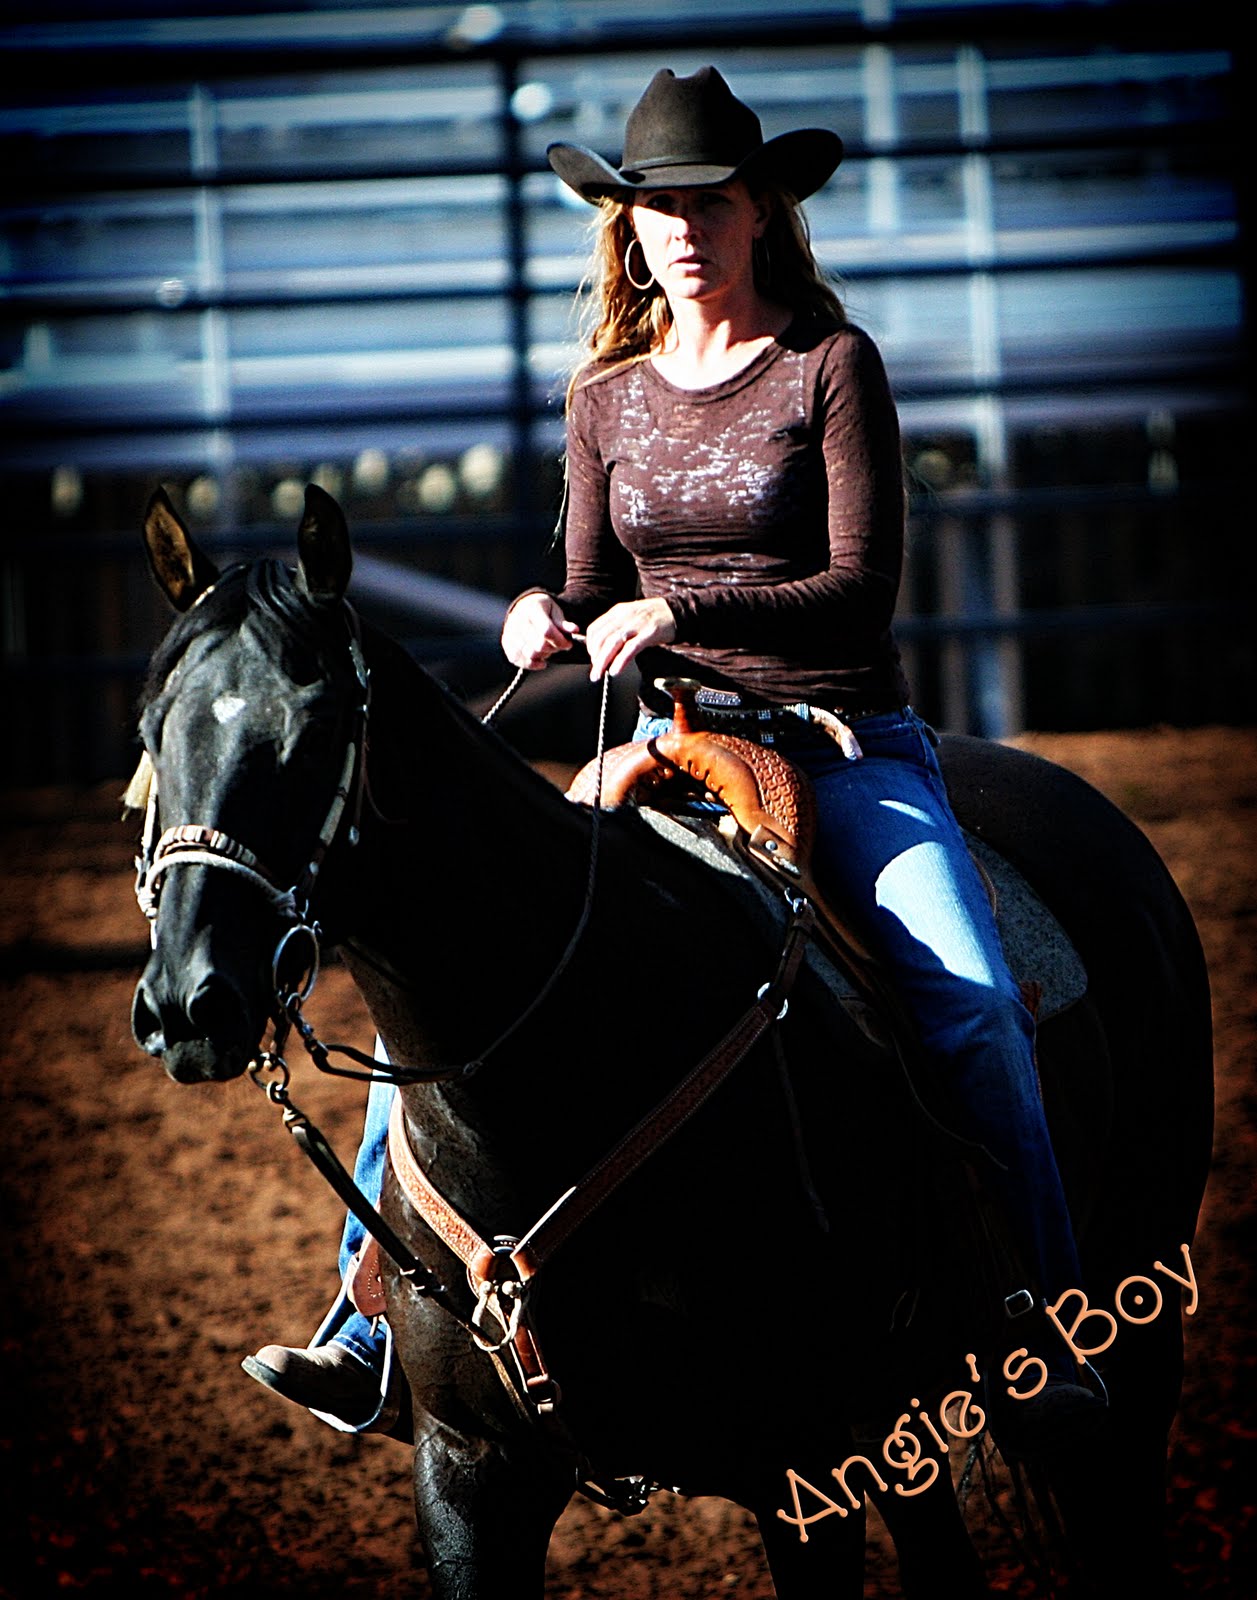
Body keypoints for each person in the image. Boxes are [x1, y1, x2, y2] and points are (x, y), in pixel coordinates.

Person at [245, 65, 1103, 1449]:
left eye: (711, 201)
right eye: (658, 207)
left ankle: (1041, 1324)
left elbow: (858, 586)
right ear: (627, 227)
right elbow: (587, 589)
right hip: (661, 751)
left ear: (763, 210)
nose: (684, 229)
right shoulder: (604, 397)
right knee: (455, 976)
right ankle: (369, 1332)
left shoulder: (831, 369)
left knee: (975, 1006)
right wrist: (552, 616)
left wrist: (679, 608)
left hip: (836, 752)